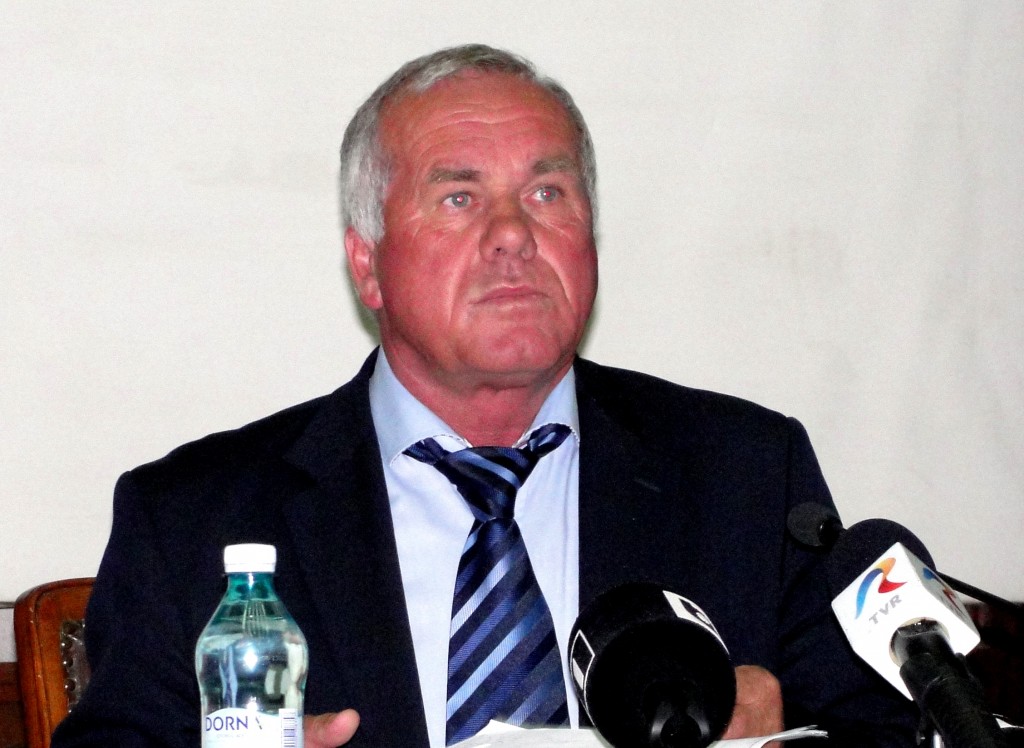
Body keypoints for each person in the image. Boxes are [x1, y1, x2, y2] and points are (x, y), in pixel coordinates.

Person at [53, 44, 917, 747]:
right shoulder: (191, 520)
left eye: (547, 193)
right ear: (367, 264)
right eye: (459, 198)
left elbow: (883, 733)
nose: (513, 234)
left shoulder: (750, 477)